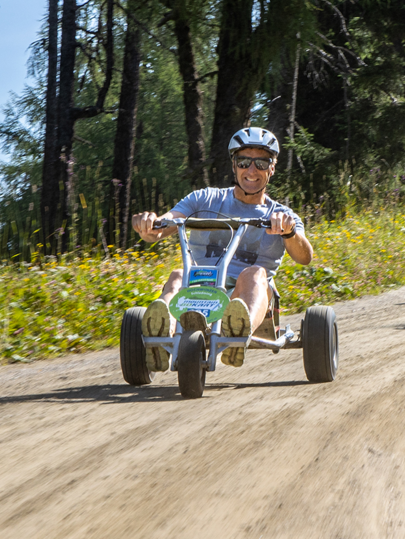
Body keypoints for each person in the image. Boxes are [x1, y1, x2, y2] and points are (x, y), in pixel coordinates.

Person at [131, 127, 314, 370]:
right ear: (233, 164)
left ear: (272, 167)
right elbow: (163, 225)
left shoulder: (282, 215)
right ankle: (161, 336)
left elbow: (305, 257)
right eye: (243, 162)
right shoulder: (204, 199)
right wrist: (148, 224)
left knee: (255, 273)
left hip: (246, 292)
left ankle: (237, 329)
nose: (251, 170)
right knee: (177, 275)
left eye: (261, 163)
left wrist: (288, 232)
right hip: (199, 286)